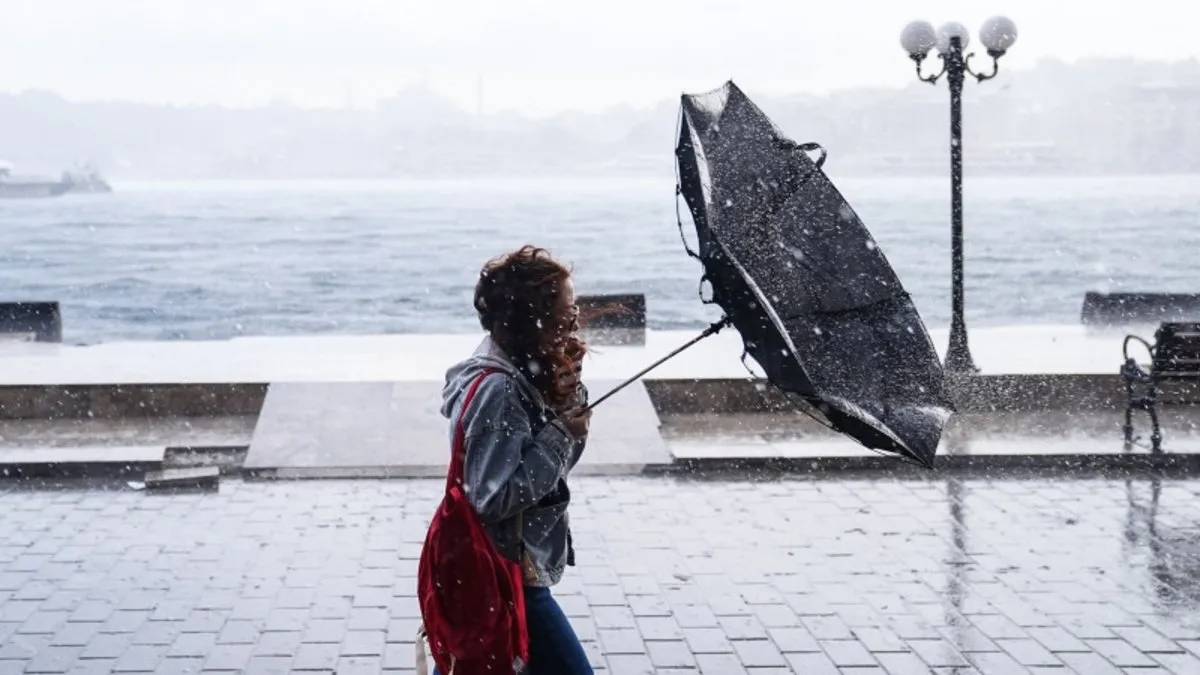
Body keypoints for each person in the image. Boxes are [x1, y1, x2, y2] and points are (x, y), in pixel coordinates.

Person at [435, 245, 594, 675]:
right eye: (567, 308)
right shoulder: (499, 390)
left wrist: (567, 396)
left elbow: (555, 471)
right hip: (506, 570)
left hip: (501, 569)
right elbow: (493, 496)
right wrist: (561, 433)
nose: (575, 318)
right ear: (533, 319)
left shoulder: (522, 371)